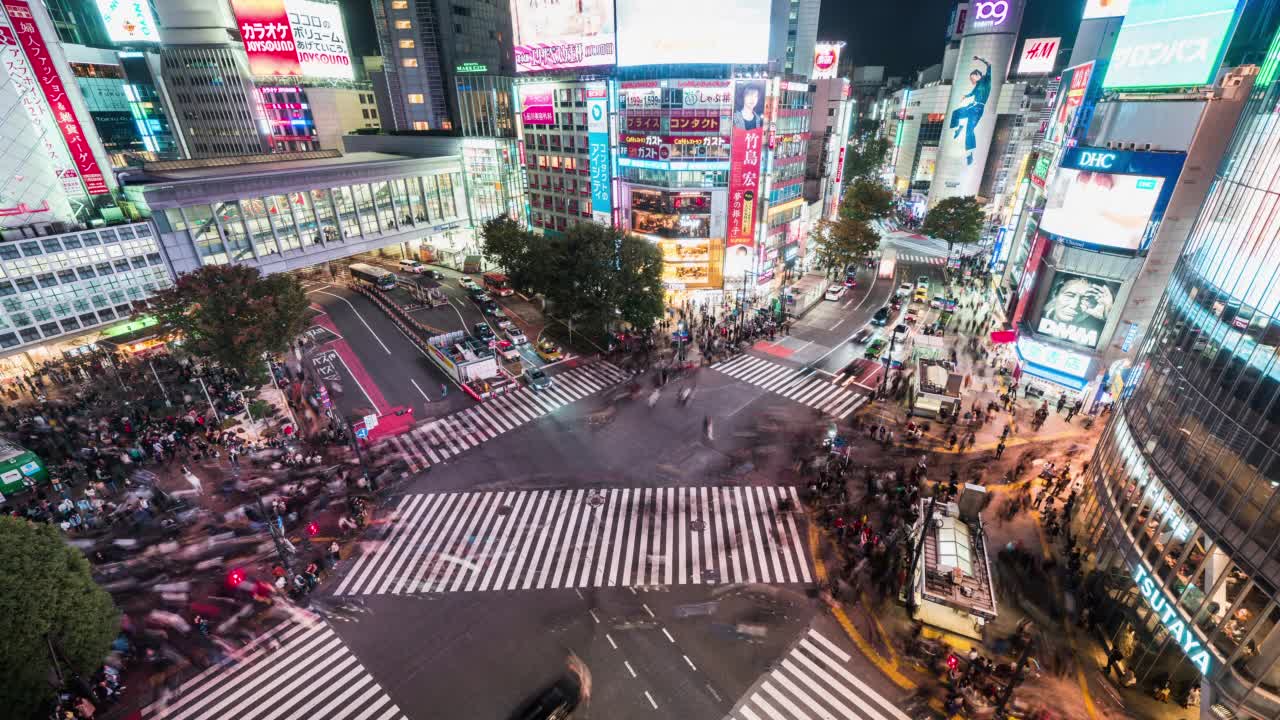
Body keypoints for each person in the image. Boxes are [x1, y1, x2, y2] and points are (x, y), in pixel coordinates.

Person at [949, 56, 992, 165]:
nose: (972, 81)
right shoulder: (977, 85)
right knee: (956, 113)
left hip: (978, 109)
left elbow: (989, 65)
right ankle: (958, 128)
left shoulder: (986, 80)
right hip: (972, 106)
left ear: (978, 75)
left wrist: (979, 59)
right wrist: (965, 96)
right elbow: (972, 93)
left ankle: (970, 155)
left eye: (972, 78)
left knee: (969, 131)